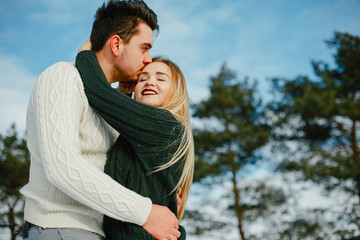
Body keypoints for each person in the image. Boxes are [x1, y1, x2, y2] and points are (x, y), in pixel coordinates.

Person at [20, 1, 181, 240]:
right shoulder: (63, 77)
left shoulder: (111, 107)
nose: (149, 59)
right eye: (144, 48)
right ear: (116, 44)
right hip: (61, 228)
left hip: (98, 232)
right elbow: (62, 167)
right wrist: (145, 211)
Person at [75, 50, 195, 239]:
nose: (149, 82)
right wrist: (124, 93)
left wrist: (88, 50)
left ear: (176, 91)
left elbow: (96, 90)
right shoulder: (140, 134)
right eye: (142, 79)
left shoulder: (164, 125)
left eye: (161, 79)